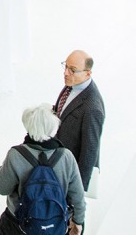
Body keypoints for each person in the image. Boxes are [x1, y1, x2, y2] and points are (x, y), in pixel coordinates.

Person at [0, 104, 86, 235]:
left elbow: (2, 188)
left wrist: (2, 168)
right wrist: (78, 221)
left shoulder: (16, 155)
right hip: (55, 223)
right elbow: (78, 197)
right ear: (54, 128)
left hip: (19, 224)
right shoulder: (66, 157)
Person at [55, 50, 104, 193]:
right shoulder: (72, 83)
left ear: (87, 73)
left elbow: (90, 151)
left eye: (73, 70)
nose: (66, 73)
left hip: (69, 171)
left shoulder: (92, 108)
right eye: (66, 66)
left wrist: (78, 190)